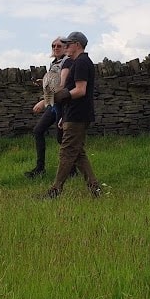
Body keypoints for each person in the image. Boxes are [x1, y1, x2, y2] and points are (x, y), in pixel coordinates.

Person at [45, 31, 102, 198]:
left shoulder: (82, 62)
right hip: (74, 114)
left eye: (68, 44)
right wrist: (64, 115)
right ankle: (95, 189)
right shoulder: (79, 62)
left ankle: (55, 190)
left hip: (78, 114)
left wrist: (61, 96)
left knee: (67, 152)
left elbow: (80, 90)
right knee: (78, 154)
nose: (65, 47)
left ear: (77, 45)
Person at [25, 37, 70, 178]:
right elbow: (52, 83)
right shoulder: (54, 63)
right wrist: (43, 82)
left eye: (59, 45)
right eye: (53, 46)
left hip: (62, 104)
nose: (55, 48)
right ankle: (40, 168)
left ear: (66, 47)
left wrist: (43, 101)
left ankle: (72, 170)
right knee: (38, 131)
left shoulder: (67, 62)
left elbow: (61, 85)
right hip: (54, 104)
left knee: (62, 139)